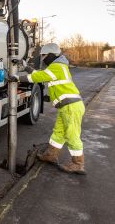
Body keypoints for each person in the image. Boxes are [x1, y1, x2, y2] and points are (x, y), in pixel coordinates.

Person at [10, 43, 86, 174]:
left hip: (71, 107)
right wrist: (26, 66)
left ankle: (78, 163)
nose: (43, 58)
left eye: (44, 55)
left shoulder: (57, 66)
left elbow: (38, 77)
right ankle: (51, 155)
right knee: (58, 132)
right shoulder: (57, 66)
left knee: (72, 135)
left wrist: (17, 78)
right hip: (66, 107)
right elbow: (41, 74)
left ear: (51, 55)